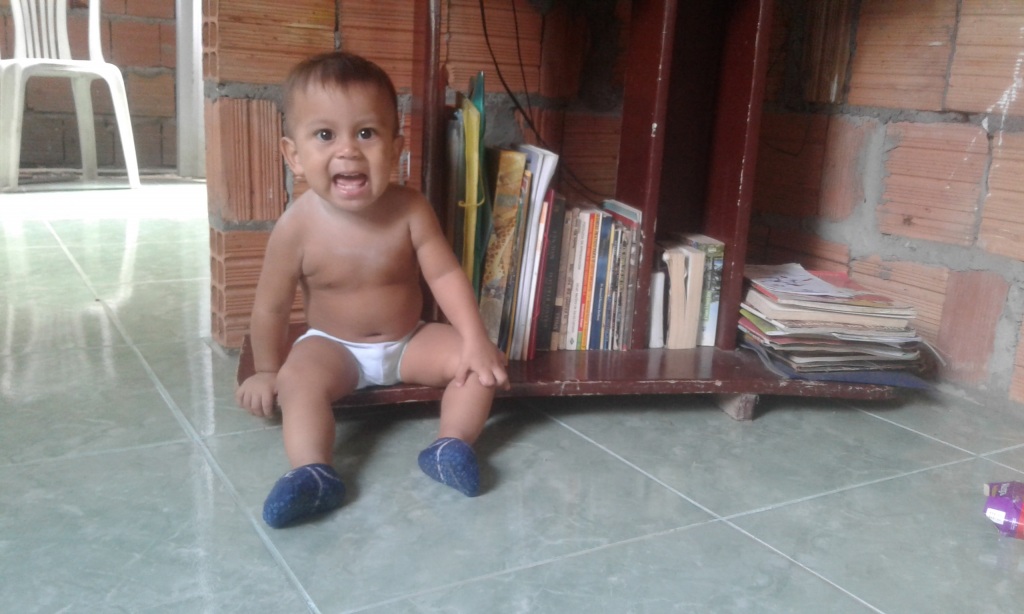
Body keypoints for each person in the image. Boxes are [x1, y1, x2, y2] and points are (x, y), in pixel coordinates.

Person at [235, 51, 509, 529]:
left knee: (480, 367)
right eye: (325, 135)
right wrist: (265, 370)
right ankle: (313, 471)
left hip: (410, 340)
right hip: (333, 347)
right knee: (297, 382)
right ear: (294, 155)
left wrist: (474, 339)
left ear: (396, 148)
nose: (348, 151)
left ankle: (451, 444)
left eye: (366, 133)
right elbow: (271, 308)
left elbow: (444, 276)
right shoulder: (295, 228)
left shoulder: (410, 209)